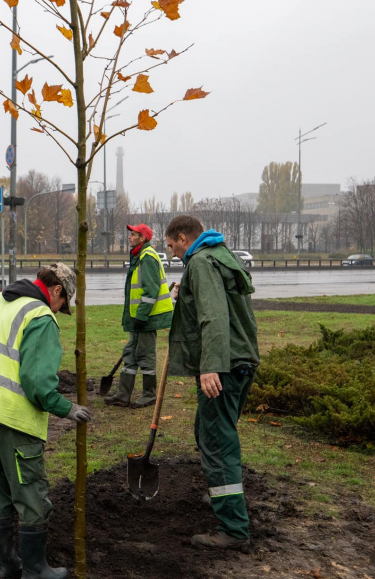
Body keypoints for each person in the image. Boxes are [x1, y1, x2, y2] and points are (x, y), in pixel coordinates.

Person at [0, 263, 93, 579]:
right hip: (10, 417)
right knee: (30, 494)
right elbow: (37, 383)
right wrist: (67, 409)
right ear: (56, 290)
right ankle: (34, 572)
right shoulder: (41, 316)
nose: (60, 309)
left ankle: (4, 567)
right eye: (63, 302)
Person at [164, 215, 259, 552]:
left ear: (182, 236)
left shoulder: (201, 262)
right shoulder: (220, 254)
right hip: (241, 362)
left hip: (225, 366)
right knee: (209, 433)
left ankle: (233, 529)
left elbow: (214, 316)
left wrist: (210, 368)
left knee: (217, 443)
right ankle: (223, 494)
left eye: (171, 245)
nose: (172, 253)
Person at [104, 223, 173, 408]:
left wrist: (142, 316)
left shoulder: (147, 258)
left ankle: (149, 395)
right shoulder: (139, 256)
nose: (129, 237)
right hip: (139, 318)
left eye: (133, 234)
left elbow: (151, 290)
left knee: (145, 354)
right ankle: (123, 394)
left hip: (147, 318)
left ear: (142, 238)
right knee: (130, 353)